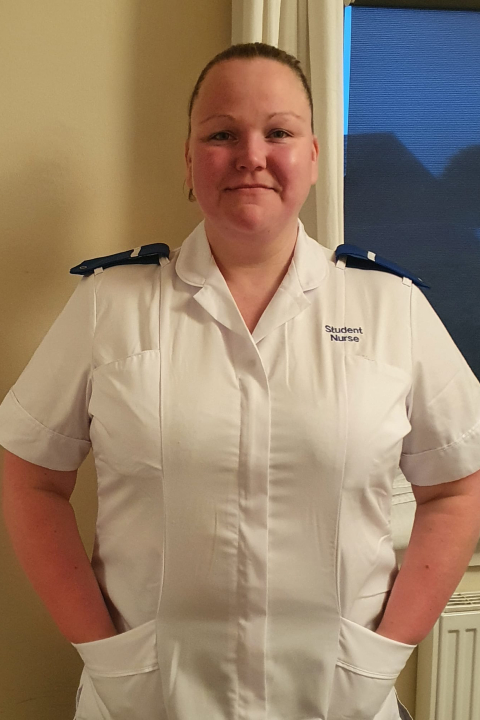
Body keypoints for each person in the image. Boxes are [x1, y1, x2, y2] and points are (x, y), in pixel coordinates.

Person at [1, 42, 480, 720]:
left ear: (313, 158)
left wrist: (382, 656)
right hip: (150, 700)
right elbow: (29, 473)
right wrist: (105, 654)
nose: (251, 154)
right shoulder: (110, 304)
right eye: (222, 133)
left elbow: (459, 485)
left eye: (278, 132)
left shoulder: (390, 307)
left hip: (338, 702)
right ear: (190, 164)